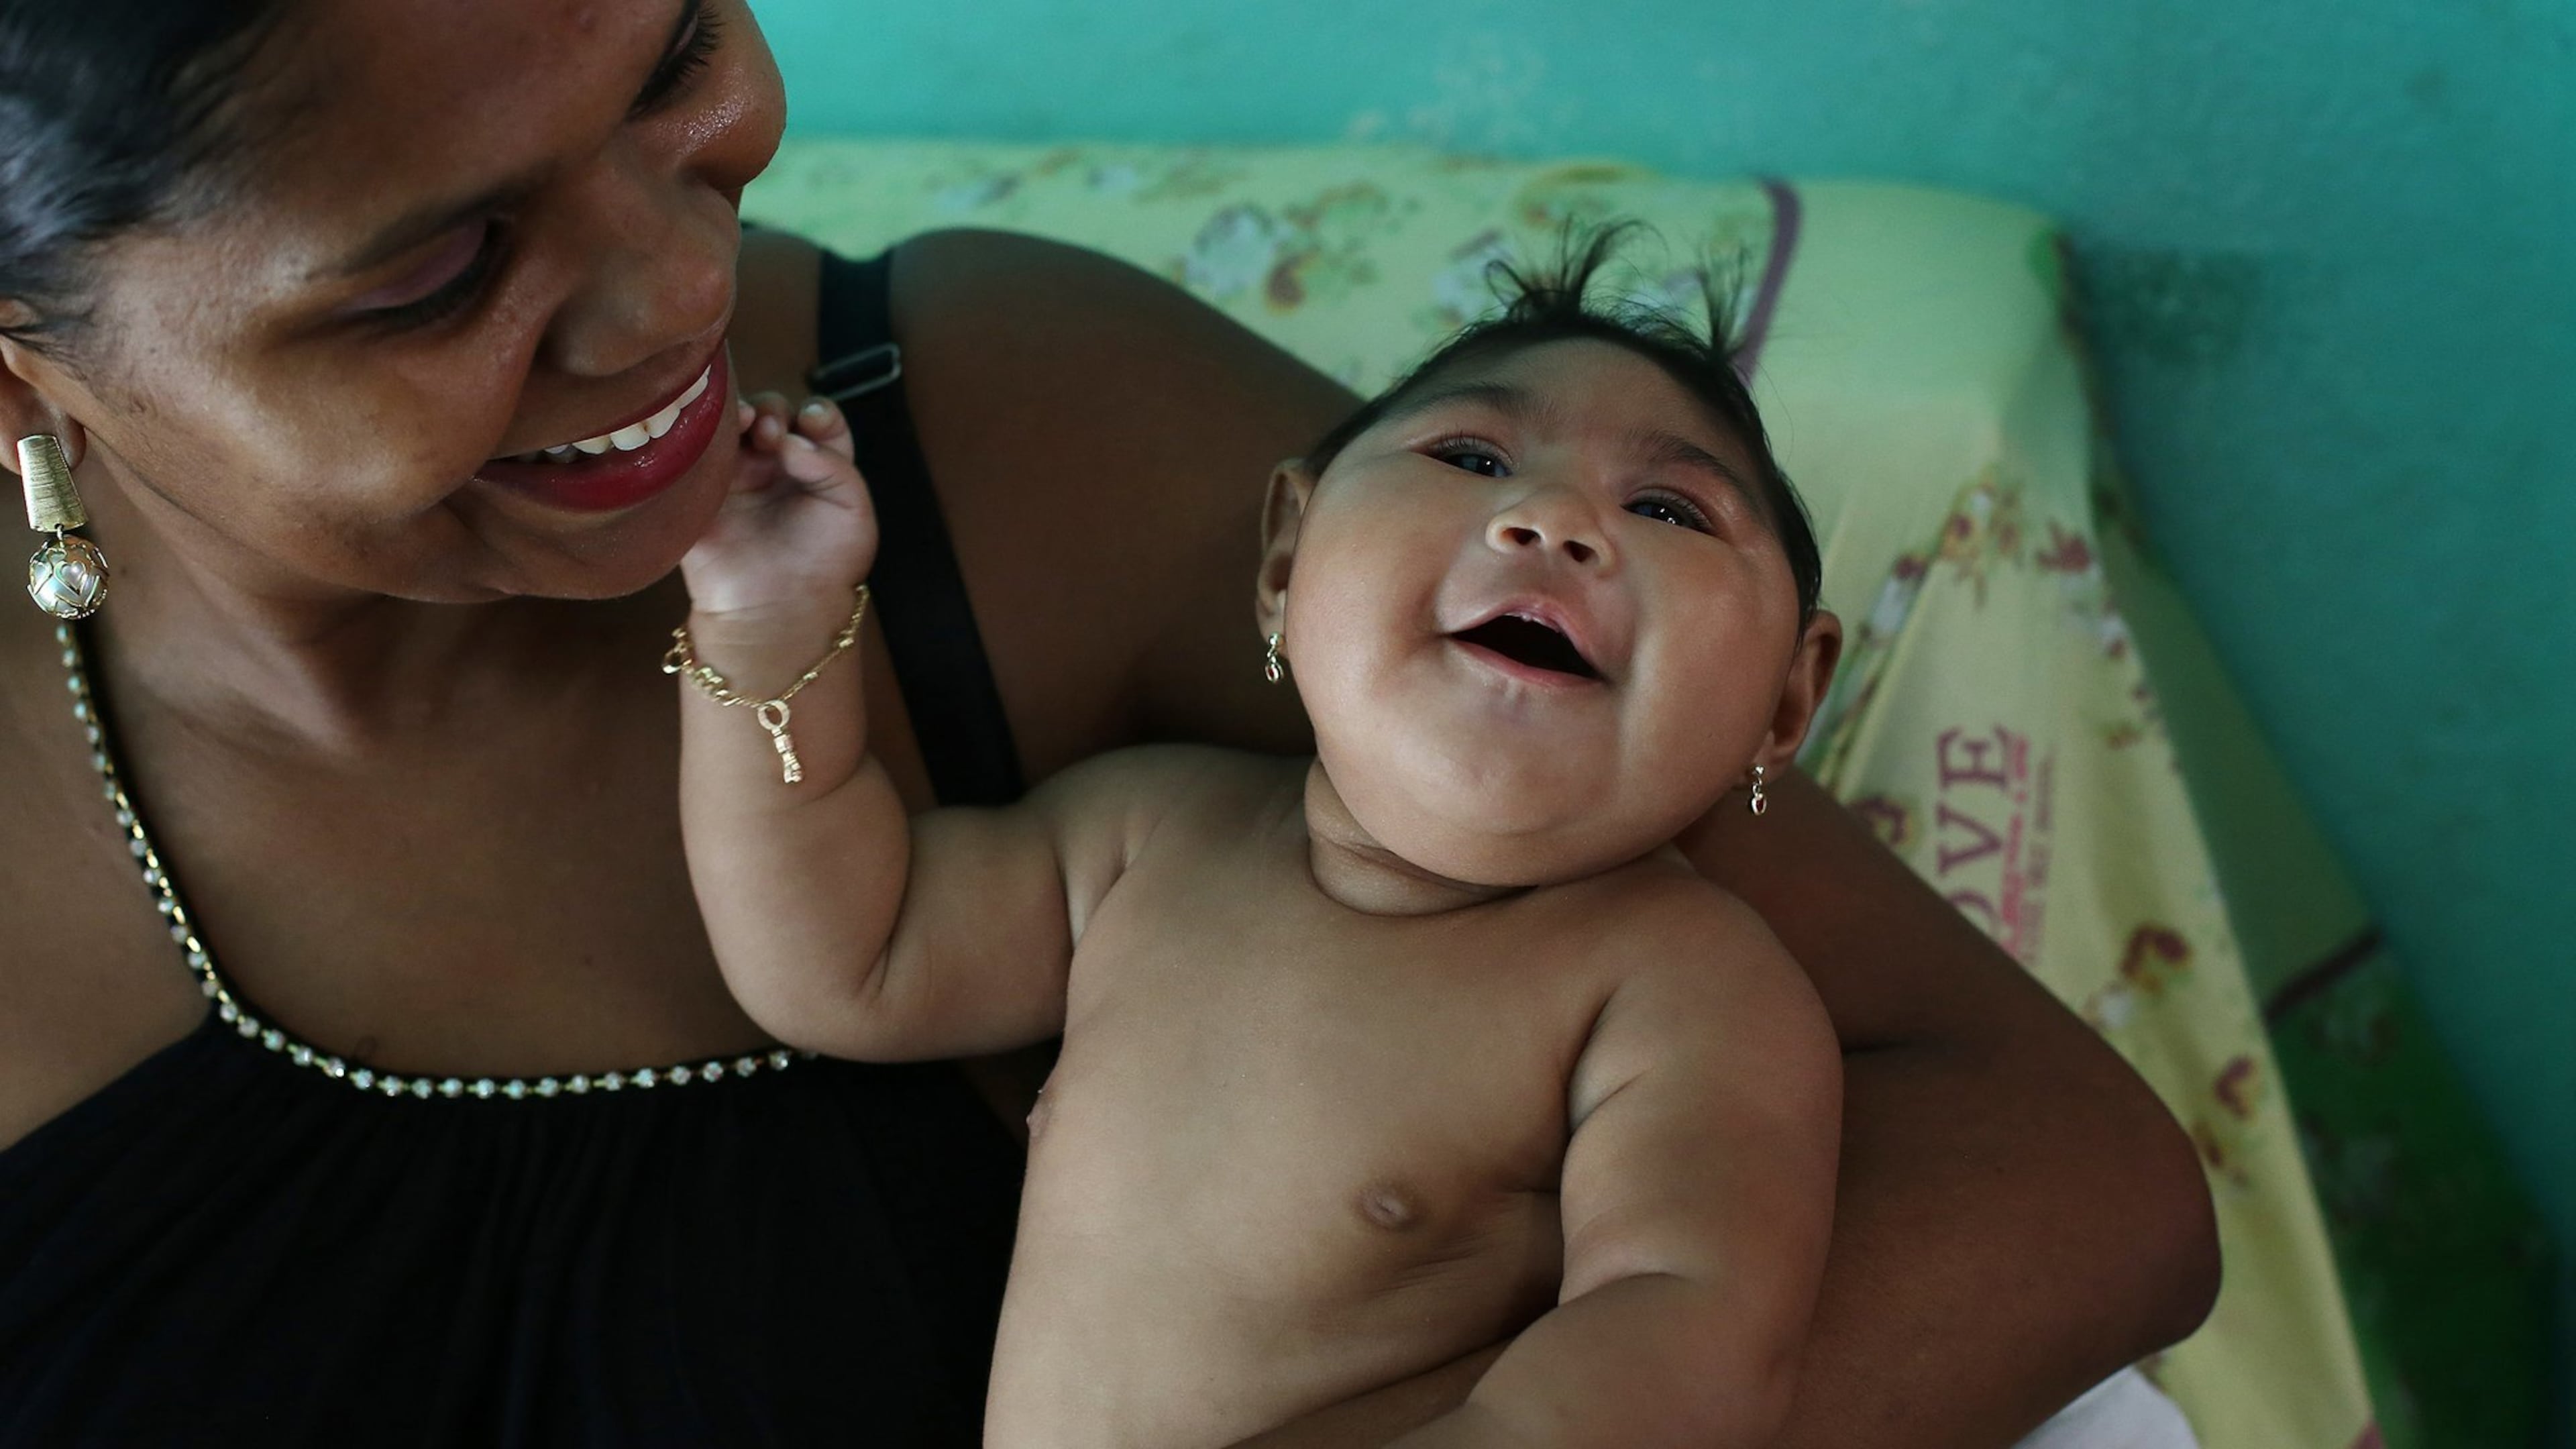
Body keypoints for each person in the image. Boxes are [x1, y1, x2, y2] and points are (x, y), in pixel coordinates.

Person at [0, 1, 2216, 1445]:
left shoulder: (1011, 441)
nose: (678, 292)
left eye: (676, 56)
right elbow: (841, 937)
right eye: (437, 272)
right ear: (30, 362)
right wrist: (771, 655)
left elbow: (2067, 1168)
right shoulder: (1118, 835)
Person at [676, 242, 1844, 1449]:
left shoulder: (1682, 983)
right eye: (1472, 456)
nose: (1551, 520)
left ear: (1784, 705)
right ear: (1287, 556)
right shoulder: (1142, 838)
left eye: (1668, 509)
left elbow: (1688, 1321)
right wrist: (770, 630)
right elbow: (844, 960)